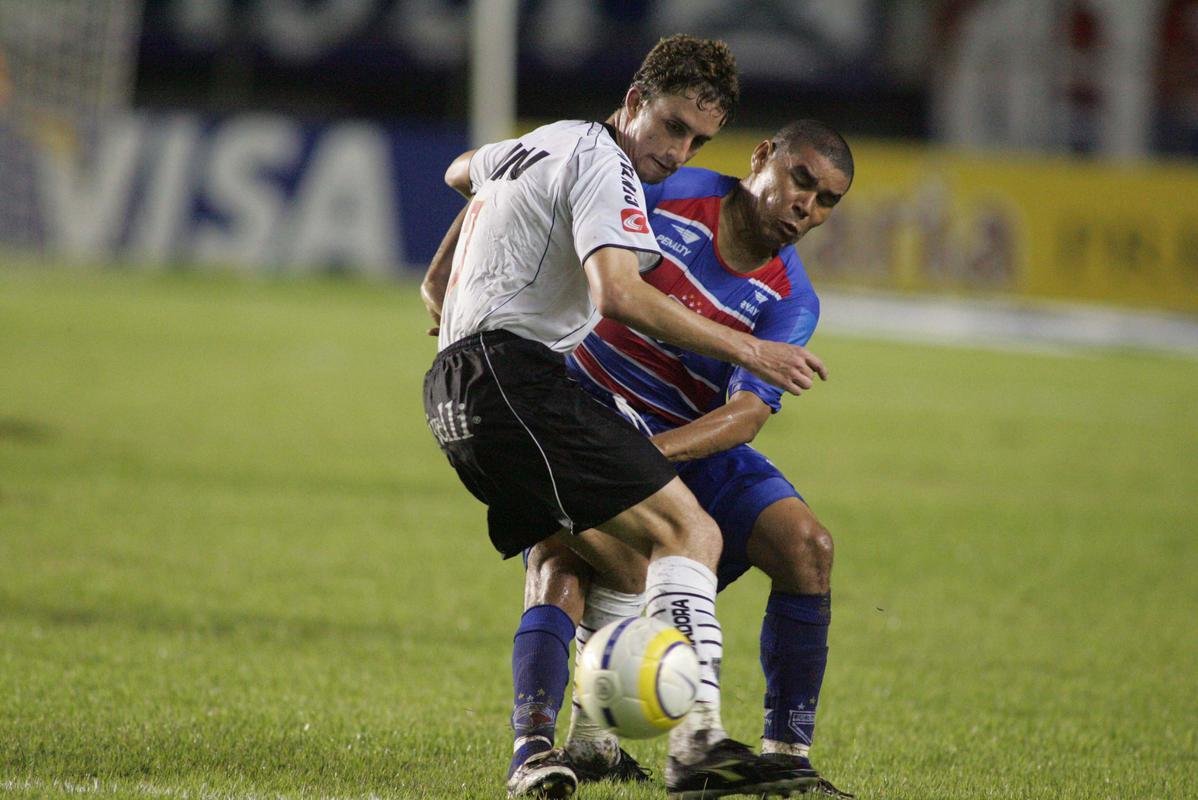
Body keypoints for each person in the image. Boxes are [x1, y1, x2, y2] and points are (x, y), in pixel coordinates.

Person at [420, 35, 828, 800]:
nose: (679, 152)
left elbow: (460, 170)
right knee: (691, 535)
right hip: (519, 380)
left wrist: (439, 278)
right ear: (635, 102)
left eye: (698, 139)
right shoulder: (612, 167)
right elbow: (619, 295)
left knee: (632, 564)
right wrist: (754, 350)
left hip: (459, 391)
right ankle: (696, 745)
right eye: (673, 127)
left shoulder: (547, 140)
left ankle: (573, 748)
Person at [509, 119, 856, 798]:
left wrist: (647, 456)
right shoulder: (666, 196)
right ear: (762, 158)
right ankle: (538, 753)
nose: (805, 207)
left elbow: (749, 413)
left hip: (686, 440)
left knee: (807, 546)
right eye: (800, 181)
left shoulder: (791, 297)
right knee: (561, 557)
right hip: (585, 414)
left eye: (824, 201)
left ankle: (785, 757)